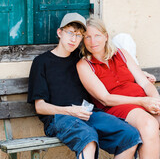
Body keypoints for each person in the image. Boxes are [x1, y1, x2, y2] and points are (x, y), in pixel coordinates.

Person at [28, 13, 142, 159]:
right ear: (59, 32)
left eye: (79, 35)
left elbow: (111, 67)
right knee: (88, 138)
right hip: (59, 118)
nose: (74, 39)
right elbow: (40, 107)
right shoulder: (41, 62)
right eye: (70, 33)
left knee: (130, 136)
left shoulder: (82, 59)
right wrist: (71, 111)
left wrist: (141, 73)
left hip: (88, 114)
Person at [77, 16, 160, 159]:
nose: (93, 41)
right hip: (117, 107)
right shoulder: (84, 65)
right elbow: (105, 99)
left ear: (106, 36)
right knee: (149, 125)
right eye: (87, 37)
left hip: (142, 100)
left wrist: (156, 100)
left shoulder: (121, 54)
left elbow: (145, 83)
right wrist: (142, 102)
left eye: (97, 36)